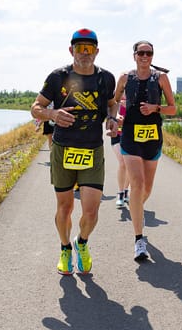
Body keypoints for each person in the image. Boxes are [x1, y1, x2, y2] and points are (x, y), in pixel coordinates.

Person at [31, 28, 118, 275]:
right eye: (80, 48)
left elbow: (112, 105)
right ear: (71, 50)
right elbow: (35, 107)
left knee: (91, 211)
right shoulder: (58, 77)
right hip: (63, 148)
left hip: (92, 150)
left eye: (89, 49)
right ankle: (65, 248)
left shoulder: (106, 79)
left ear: (97, 51)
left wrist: (112, 119)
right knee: (65, 207)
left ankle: (82, 243)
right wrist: (52, 114)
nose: (85, 53)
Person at [113, 40, 176, 262]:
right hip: (130, 137)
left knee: (145, 189)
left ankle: (135, 205)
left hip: (152, 138)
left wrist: (155, 108)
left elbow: (173, 108)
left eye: (149, 53)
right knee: (137, 184)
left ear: (152, 56)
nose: (145, 56)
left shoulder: (160, 78)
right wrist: (115, 116)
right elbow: (113, 101)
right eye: (141, 52)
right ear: (134, 55)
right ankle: (139, 240)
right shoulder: (125, 77)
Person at [111, 94, 129, 207]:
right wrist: (117, 116)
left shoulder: (136, 96)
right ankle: (121, 193)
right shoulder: (116, 97)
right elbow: (111, 111)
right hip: (117, 134)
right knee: (122, 162)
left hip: (130, 134)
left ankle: (126, 190)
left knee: (129, 165)